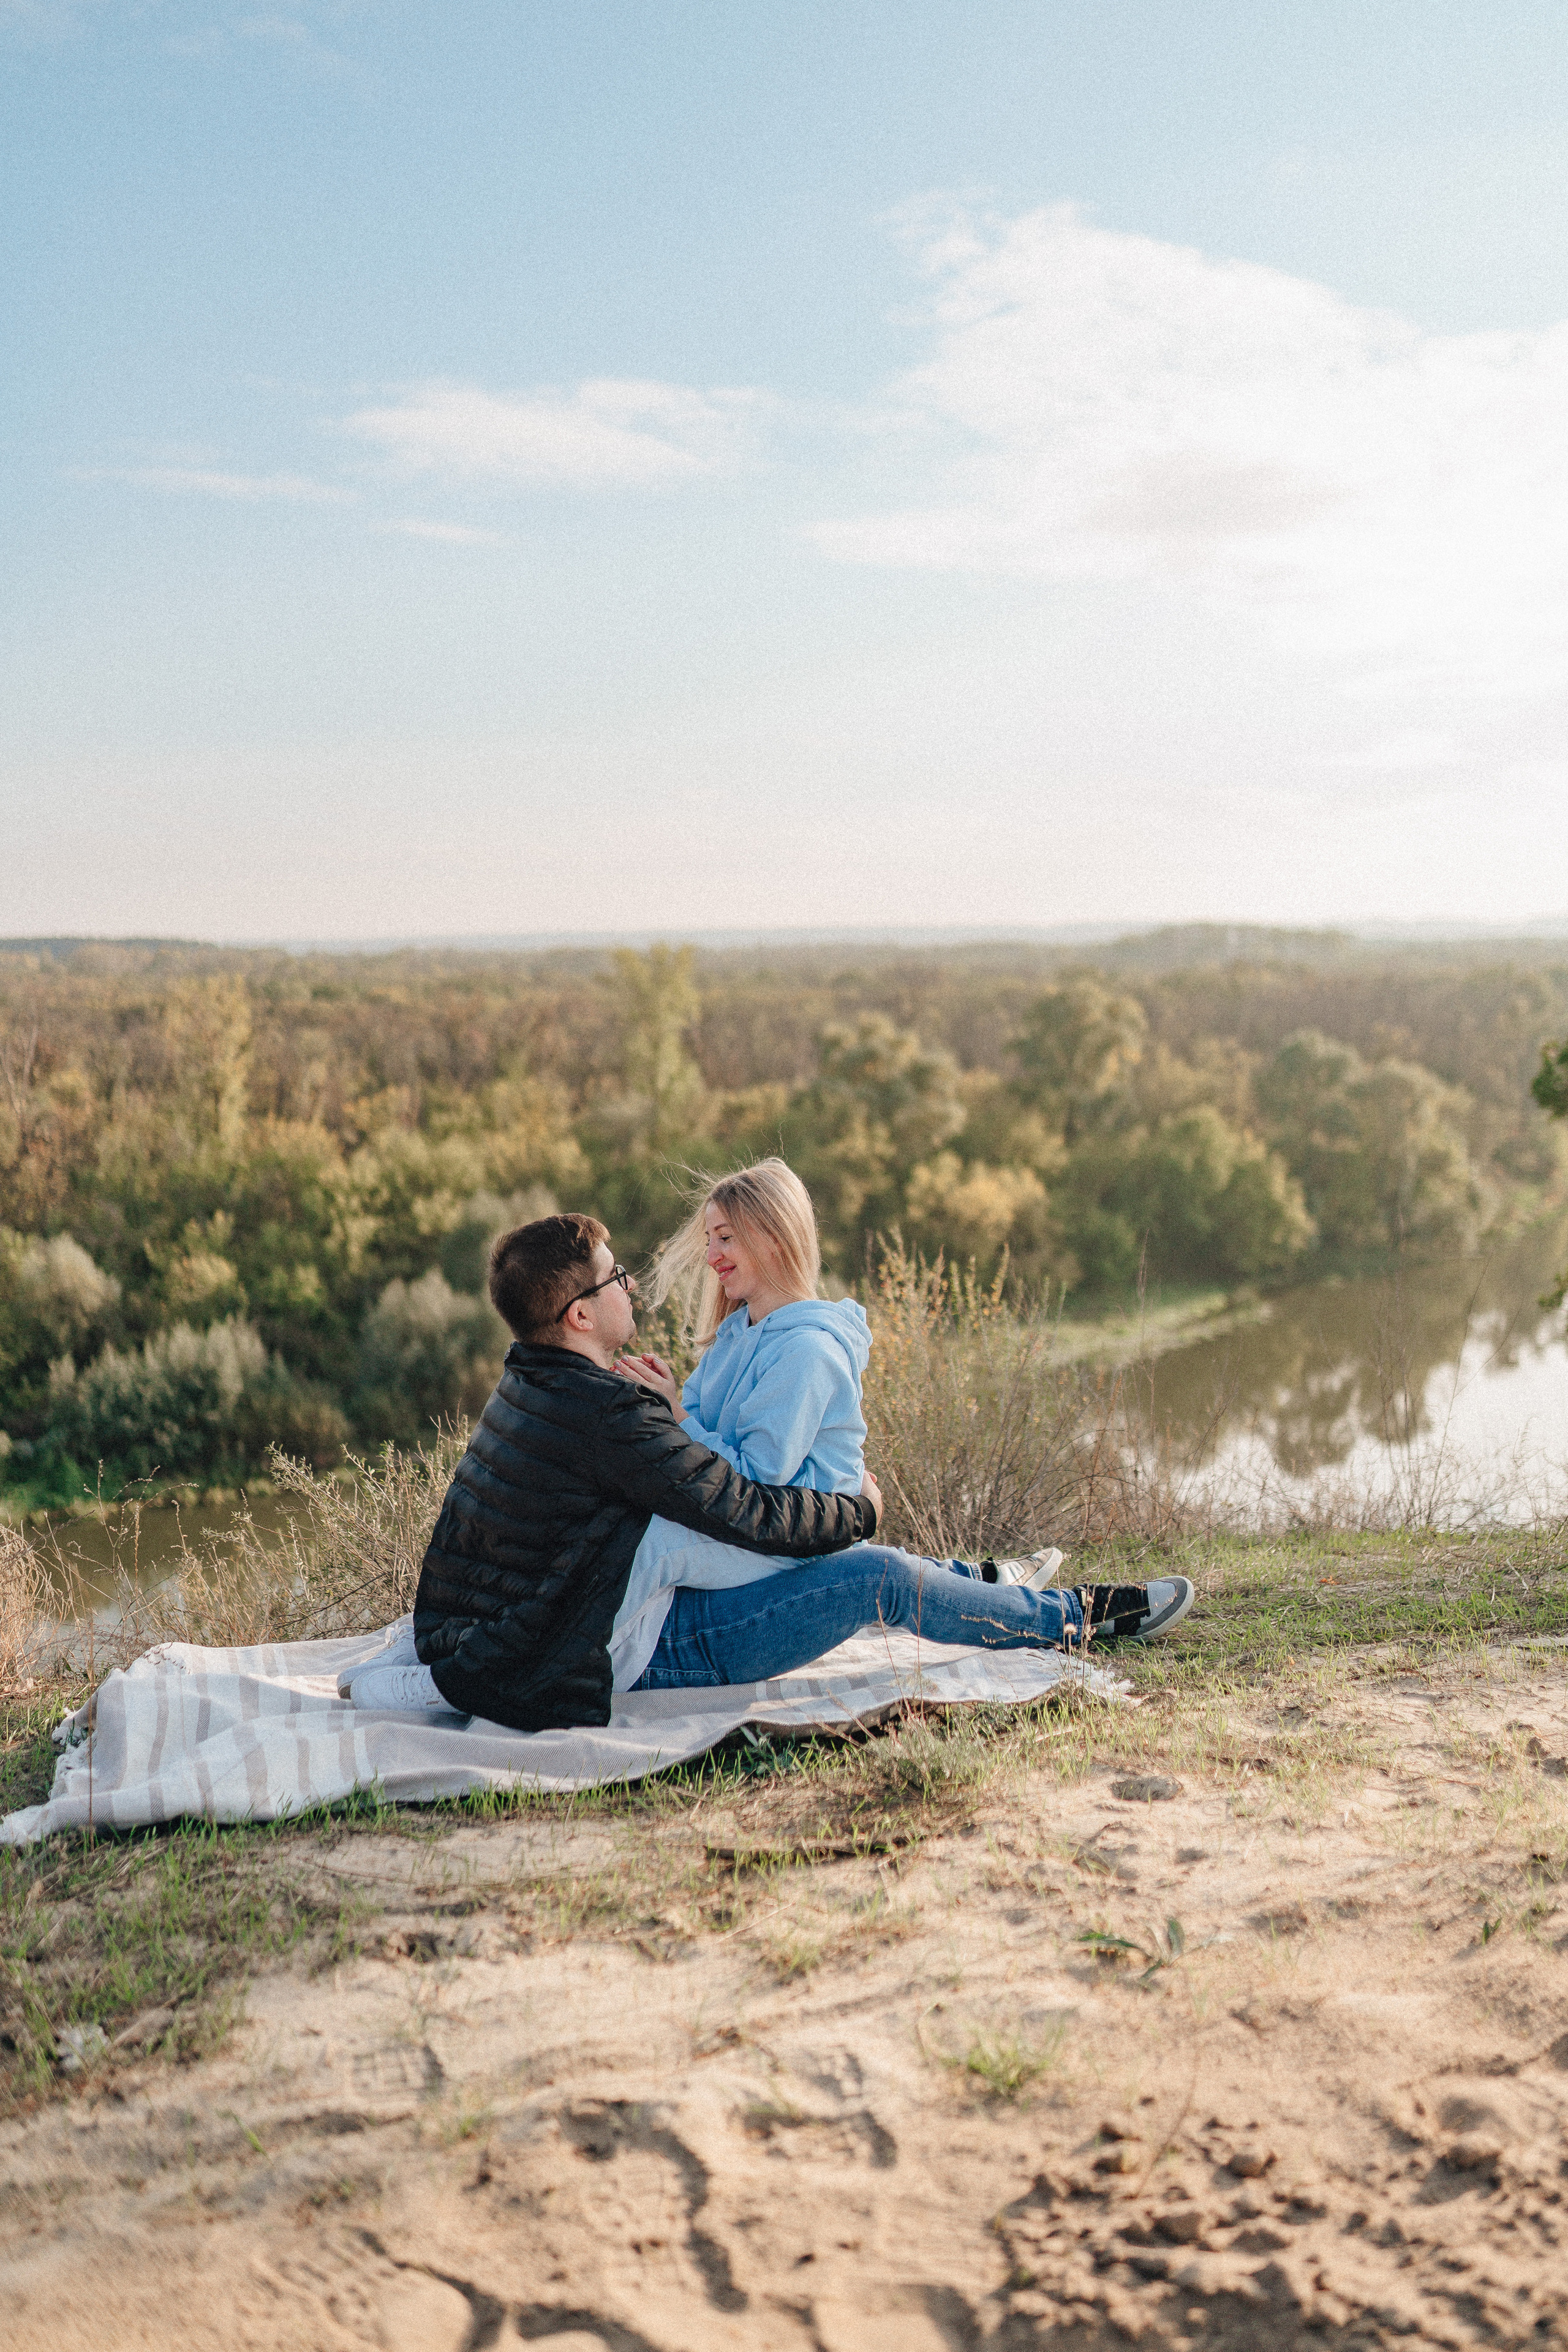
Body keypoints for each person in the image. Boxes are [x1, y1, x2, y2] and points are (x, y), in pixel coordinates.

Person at [351, 1212, 1190, 1728]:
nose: (631, 1282)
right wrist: (857, 1511)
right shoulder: (603, 1413)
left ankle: (986, 1585)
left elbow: (708, 1496)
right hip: (614, 1652)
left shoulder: (536, 1380)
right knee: (874, 1576)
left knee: (829, 1556)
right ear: (580, 1313)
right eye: (616, 1276)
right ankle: (1071, 1618)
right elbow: (746, 1508)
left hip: (575, 1622)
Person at [622, 1155, 1067, 1589]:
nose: (710, 1256)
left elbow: (758, 1480)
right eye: (708, 1240)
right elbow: (694, 1437)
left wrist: (677, 1414)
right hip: (752, 1527)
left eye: (724, 1238)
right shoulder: (734, 1337)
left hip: (795, 1542)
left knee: (655, 1546)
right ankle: (992, 1579)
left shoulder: (807, 1350)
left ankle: (1009, 1593)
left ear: (772, 1237)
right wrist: (665, 1399)